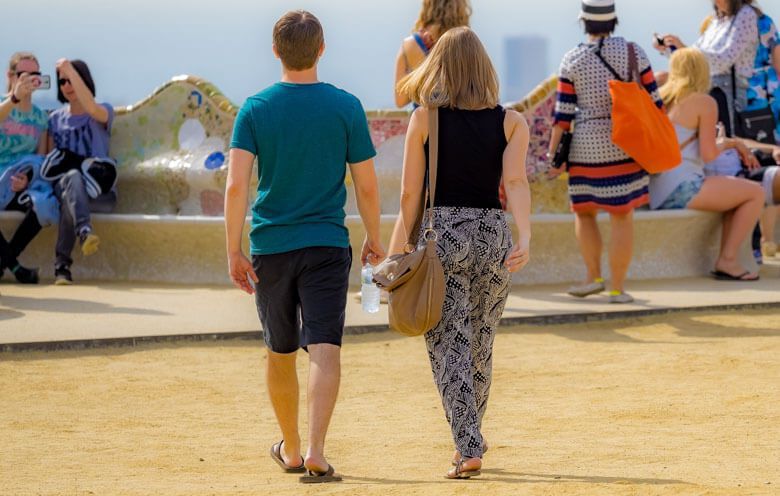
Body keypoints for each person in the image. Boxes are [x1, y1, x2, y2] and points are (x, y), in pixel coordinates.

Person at [225, 10, 384, 484]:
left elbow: (236, 187)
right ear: (321, 49)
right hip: (327, 245)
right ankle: (316, 450)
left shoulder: (254, 108)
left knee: (279, 350)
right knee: (324, 347)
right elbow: (367, 186)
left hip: (270, 245)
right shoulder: (346, 106)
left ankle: (291, 449)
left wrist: (232, 249)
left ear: (275, 50)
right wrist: (375, 236)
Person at [391, 26, 531, 479]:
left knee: (447, 342)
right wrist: (524, 236)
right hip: (493, 235)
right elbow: (515, 184)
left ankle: (468, 444)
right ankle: (468, 439)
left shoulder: (424, 119)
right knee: (479, 343)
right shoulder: (511, 121)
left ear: (439, 67)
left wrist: (396, 253)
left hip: (443, 235)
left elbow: (410, 196)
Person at [548, 0, 662, 303]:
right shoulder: (634, 52)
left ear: (583, 22)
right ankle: (617, 288)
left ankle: (592, 277)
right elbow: (655, 102)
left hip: (585, 148)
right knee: (622, 216)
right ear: (614, 21)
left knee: (584, 214)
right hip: (625, 144)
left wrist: (553, 157)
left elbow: (562, 116)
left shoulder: (572, 58)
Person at [649, 47, 765, 281]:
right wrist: (729, 143)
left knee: (737, 196)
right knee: (756, 193)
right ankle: (728, 260)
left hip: (656, 191)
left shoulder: (660, 98)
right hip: (682, 187)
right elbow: (710, 154)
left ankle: (728, 260)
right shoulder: (704, 102)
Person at [41, 59, 118, 285]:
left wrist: (68, 68)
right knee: (71, 181)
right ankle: (84, 231)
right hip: (65, 187)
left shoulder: (103, 111)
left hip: (100, 195)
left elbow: (92, 107)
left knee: (70, 199)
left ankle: (62, 265)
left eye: (72, 78)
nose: (67, 84)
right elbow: (49, 161)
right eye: (62, 80)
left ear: (84, 80)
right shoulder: (55, 119)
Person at [655, 0, 758, 136]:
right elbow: (695, 59)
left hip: (726, 95)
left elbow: (722, 60)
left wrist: (683, 48)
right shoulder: (717, 20)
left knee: (727, 146)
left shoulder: (745, 14)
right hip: (710, 91)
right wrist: (669, 49)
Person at [0, 52, 56, 284]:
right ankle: (15, 267)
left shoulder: (40, 118)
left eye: (35, 75)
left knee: (45, 204)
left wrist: (27, 180)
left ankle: (4, 263)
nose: (30, 80)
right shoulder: (3, 106)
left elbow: (41, 161)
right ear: (10, 76)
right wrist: (13, 98)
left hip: (21, 182)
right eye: (24, 74)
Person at [393, 0, 471, 108]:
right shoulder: (467, 42)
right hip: (460, 121)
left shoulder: (411, 43)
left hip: (423, 121)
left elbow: (400, 100)